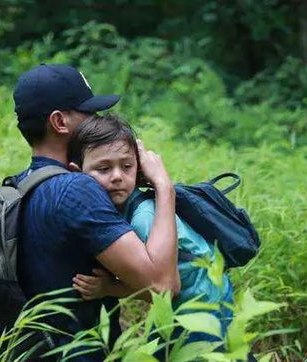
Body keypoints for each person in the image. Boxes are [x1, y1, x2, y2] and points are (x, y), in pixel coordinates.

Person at [12, 64, 180, 360]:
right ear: (59, 122)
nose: (98, 121)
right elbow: (162, 284)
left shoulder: (22, 183)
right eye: (89, 114)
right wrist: (164, 187)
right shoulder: (76, 189)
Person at [67, 113, 234, 344]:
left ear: (138, 168)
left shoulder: (143, 218)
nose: (117, 176)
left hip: (203, 302)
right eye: (103, 169)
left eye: (126, 166)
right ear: (77, 173)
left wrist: (109, 288)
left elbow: (165, 289)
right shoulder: (119, 209)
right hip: (184, 304)